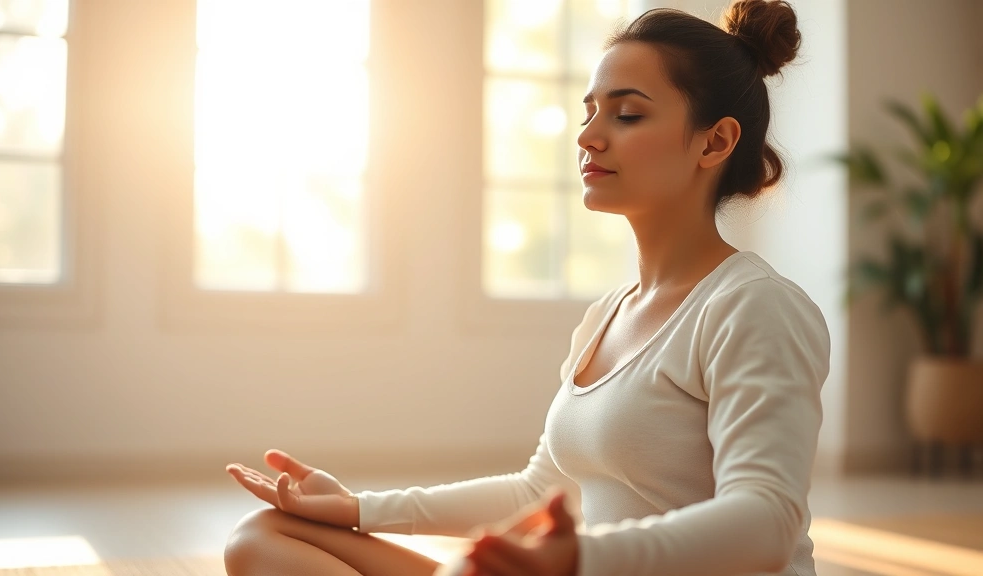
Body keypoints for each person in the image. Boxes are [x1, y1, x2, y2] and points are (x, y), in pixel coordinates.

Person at [222, 0, 830, 574]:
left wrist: (581, 560)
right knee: (264, 536)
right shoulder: (607, 315)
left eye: (627, 114)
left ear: (715, 141)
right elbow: (538, 488)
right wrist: (356, 508)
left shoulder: (754, 306)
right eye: (589, 112)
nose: (589, 136)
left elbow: (767, 518)